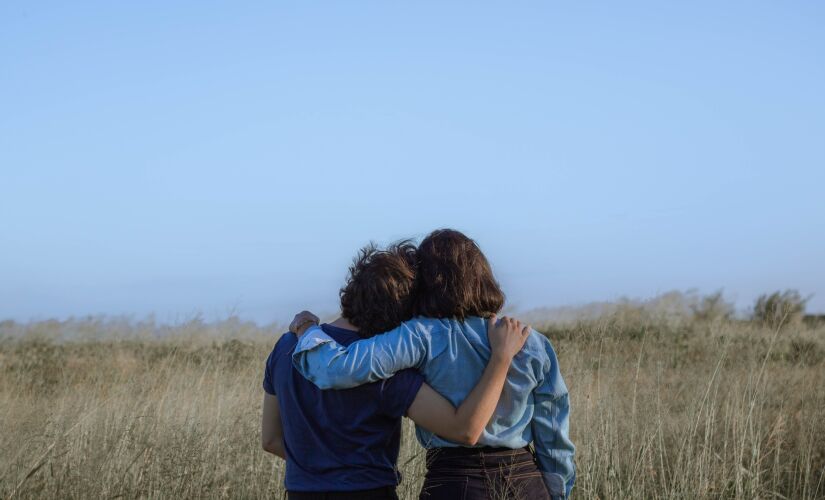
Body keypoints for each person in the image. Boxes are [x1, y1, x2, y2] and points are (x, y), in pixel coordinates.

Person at [290, 229, 575, 500]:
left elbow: (337, 369)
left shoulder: (420, 335)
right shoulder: (531, 341)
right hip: (525, 478)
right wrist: (555, 491)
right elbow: (554, 435)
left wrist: (307, 329)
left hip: (453, 478)